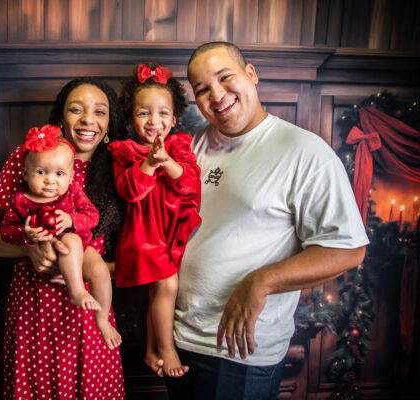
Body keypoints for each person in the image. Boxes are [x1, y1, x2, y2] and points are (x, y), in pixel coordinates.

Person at [146, 41, 369, 399]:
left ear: (251, 73)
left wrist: (261, 282)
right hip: (179, 340)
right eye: (202, 89)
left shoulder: (305, 152)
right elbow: (154, 236)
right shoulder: (187, 149)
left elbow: (347, 250)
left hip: (238, 351)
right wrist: (156, 335)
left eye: (225, 77)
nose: (216, 94)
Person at [0, 78, 127, 399]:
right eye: (76, 110)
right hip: (35, 302)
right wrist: (29, 248)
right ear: (60, 117)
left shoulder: (121, 168)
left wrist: (94, 270)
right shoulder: (31, 156)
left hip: (93, 302)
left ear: (109, 123)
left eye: (99, 112)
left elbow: (137, 257)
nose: (88, 120)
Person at [110, 63, 201, 378]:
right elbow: (130, 190)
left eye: (163, 113)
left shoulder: (180, 147)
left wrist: (168, 162)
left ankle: (151, 349)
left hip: (172, 230)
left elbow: (189, 185)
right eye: (143, 113)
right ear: (131, 118)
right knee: (167, 284)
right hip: (144, 235)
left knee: (158, 292)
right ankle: (167, 347)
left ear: (174, 119)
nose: (154, 120)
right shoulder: (125, 152)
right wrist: (149, 163)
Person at [0, 124, 121, 349]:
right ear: (25, 174)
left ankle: (102, 320)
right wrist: (25, 234)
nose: (50, 180)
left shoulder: (73, 193)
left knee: (100, 271)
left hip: (81, 248)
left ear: (71, 177)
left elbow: (92, 216)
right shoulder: (21, 200)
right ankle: (77, 291)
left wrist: (71, 220)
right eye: (41, 172)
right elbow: (5, 229)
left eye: (59, 174)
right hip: (42, 257)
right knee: (69, 245)